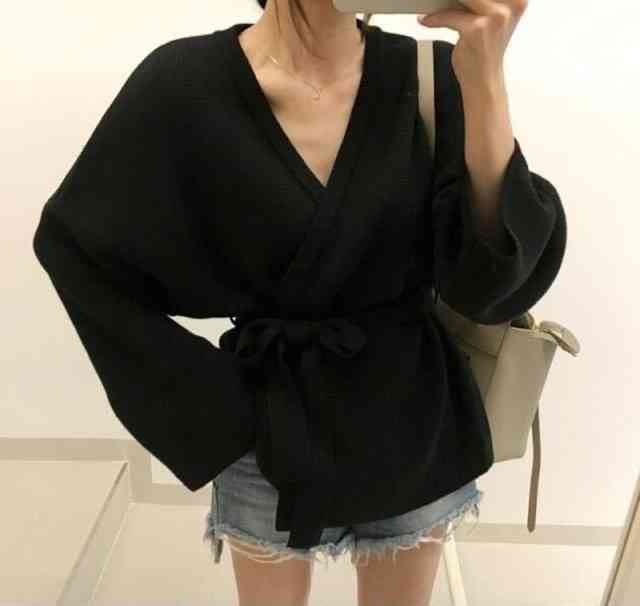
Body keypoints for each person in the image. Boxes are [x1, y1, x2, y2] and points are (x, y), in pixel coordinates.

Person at [32, 0, 566, 604]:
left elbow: (491, 282)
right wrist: (212, 407)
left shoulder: (431, 75)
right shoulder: (185, 84)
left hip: (412, 414)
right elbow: (77, 249)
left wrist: (485, 77)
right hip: (270, 421)